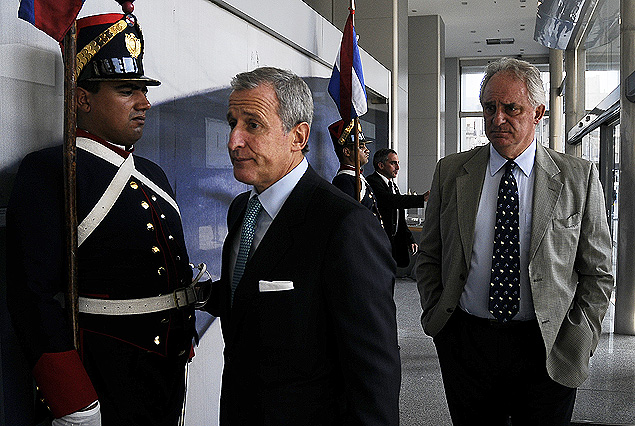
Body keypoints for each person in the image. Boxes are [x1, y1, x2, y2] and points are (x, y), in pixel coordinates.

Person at [6, 13, 199, 425]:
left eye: (142, 91)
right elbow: (31, 296)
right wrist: (72, 398)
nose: (144, 102)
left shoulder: (154, 174)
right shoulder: (51, 172)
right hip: (105, 379)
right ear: (82, 99)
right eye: (127, 91)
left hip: (165, 373)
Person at [416, 57, 613, 425]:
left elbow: (598, 272)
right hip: (467, 342)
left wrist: (580, 337)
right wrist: (440, 320)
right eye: (490, 108)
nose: (497, 118)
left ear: (537, 112)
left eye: (511, 108)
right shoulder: (451, 171)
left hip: (548, 345)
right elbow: (429, 255)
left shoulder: (578, 177)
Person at [206, 67, 400, 425]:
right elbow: (258, 299)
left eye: (253, 125)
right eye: (232, 123)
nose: (234, 140)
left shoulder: (344, 224)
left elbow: (374, 368)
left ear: (298, 136)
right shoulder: (242, 212)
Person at [367, 148, 429, 268]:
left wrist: (409, 239)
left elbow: (399, 215)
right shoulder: (372, 182)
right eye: (393, 163)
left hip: (393, 242)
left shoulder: (393, 185)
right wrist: (421, 199)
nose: (398, 167)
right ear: (380, 165)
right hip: (379, 241)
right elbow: (391, 201)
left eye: (398, 163)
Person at [329, 119, 382, 222]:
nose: (367, 150)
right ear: (347, 152)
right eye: (361, 147)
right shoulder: (344, 181)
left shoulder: (357, 177)